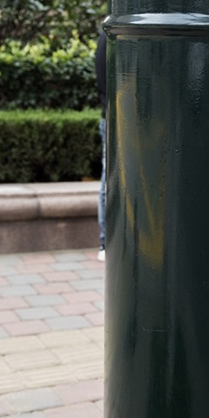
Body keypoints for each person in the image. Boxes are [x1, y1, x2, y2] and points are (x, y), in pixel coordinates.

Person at [95, 29, 107, 262]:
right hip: (114, 119)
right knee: (110, 180)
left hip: (112, 117)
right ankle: (106, 240)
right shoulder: (110, 36)